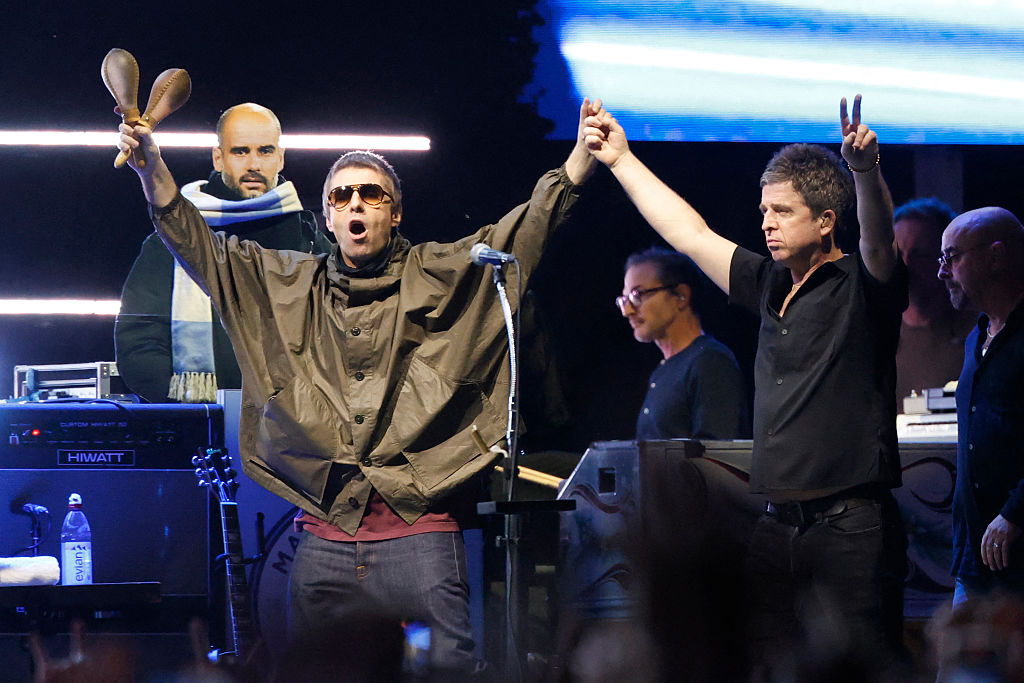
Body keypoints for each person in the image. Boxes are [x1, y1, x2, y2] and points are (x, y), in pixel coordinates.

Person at [116, 98, 600, 675]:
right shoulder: (290, 283)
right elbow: (199, 246)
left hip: (420, 533)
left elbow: (522, 232)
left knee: (447, 670)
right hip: (324, 538)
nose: (356, 206)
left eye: (372, 195)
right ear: (326, 217)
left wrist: (576, 163)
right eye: (341, 197)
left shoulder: (440, 272)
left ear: (394, 213)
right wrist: (150, 168)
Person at [583, 96, 908, 673]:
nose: (766, 222)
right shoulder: (767, 282)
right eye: (764, 210)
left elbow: (880, 240)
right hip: (776, 526)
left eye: (782, 211)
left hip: (851, 529)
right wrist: (622, 159)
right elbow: (689, 232)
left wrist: (864, 170)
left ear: (825, 220)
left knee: (860, 667)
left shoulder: (862, 288)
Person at [115, 103, 332, 403]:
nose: (254, 163)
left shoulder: (308, 239)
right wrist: (190, 412)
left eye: (265, 151)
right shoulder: (172, 238)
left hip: (293, 429)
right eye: (240, 151)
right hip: (201, 429)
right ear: (218, 158)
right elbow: (138, 341)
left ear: (280, 159)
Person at [939, 207, 1024, 605]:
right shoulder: (977, 337)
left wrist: (1014, 513)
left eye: (951, 256)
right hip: (975, 564)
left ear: (995, 256)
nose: (942, 271)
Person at [617, 246, 748, 440]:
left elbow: (715, 456)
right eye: (624, 300)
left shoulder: (710, 361)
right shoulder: (662, 370)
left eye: (637, 295)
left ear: (681, 296)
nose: (627, 311)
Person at [893, 197, 974, 407]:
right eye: (898, 253)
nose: (906, 264)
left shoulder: (978, 333)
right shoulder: (876, 333)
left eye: (919, 254)